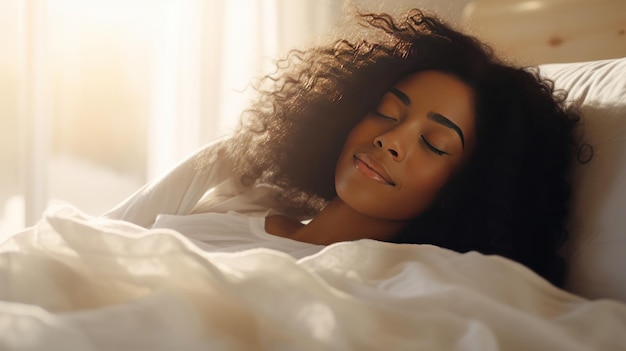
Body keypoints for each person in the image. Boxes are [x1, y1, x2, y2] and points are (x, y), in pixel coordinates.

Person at [128, 8, 588, 287]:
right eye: (387, 112)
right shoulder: (233, 200)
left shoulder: (414, 288)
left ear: (468, 185)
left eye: (433, 142)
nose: (390, 139)